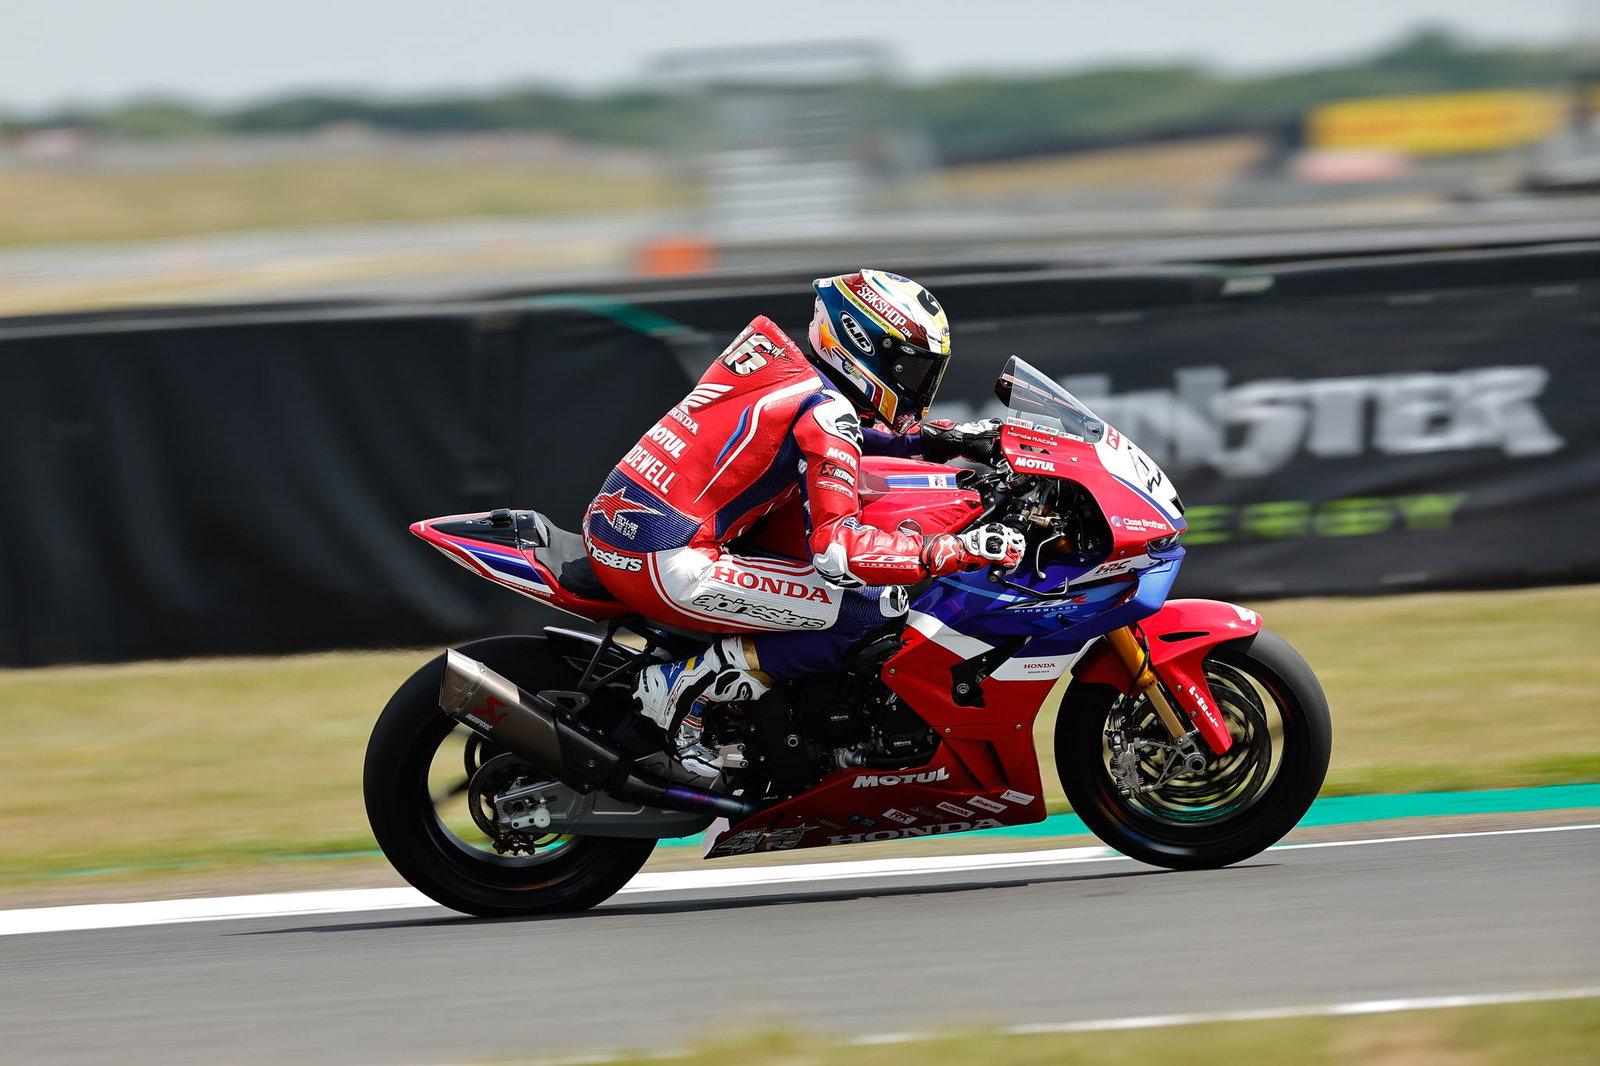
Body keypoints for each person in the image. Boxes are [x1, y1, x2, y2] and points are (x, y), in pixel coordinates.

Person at [582, 269, 1024, 778]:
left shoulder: (784, 371)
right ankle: (682, 688)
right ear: (861, 345)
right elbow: (837, 553)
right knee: (871, 608)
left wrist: (937, 441)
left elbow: (819, 434)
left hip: (629, 529)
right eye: (909, 368)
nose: (917, 384)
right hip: (668, 559)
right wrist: (955, 549)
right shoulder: (826, 408)